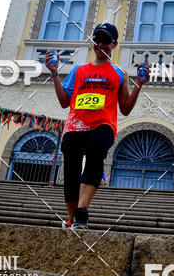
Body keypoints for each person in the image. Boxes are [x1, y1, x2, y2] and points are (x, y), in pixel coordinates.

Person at [46, 22, 149, 230]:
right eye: (97, 40)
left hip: (104, 125)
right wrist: (55, 73)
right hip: (75, 126)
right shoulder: (79, 70)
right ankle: (73, 218)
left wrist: (139, 84)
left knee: (95, 151)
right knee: (71, 172)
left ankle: (82, 211)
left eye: (106, 41)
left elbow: (126, 108)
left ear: (114, 44)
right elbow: (65, 101)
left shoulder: (119, 74)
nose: (100, 45)